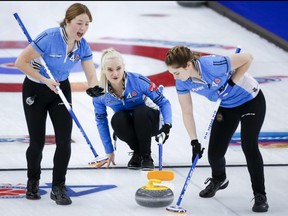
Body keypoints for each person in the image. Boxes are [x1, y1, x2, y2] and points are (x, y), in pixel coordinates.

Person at [15, 3, 104, 205]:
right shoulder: (49, 37)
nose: (82, 28)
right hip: (36, 89)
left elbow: (91, 73)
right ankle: (33, 181)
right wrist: (45, 80)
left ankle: (58, 186)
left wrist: (94, 87)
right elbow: (20, 62)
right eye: (79, 23)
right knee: (37, 143)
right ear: (67, 21)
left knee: (64, 141)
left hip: (60, 91)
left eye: (87, 24)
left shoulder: (82, 45)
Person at [164, 46, 269, 212]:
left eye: (176, 72)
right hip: (227, 106)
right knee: (214, 153)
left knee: (249, 146)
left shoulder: (212, 64)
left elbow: (248, 57)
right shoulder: (182, 82)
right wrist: (194, 141)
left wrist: (232, 81)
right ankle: (219, 179)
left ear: (188, 65)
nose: (174, 77)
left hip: (251, 100)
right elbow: (187, 112)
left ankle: (260, 195)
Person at [92, 48, 172, 171]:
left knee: (140, 111)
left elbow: (163, 102)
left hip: (150, 121)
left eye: (118, 68)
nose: (115, 74)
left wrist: (167, 125)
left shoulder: (138, 81)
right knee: (117, 119)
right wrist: (109, 151)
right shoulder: (100, 93)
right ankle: (138, 152)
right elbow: (101, 120)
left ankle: (146, 156)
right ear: (103, 70)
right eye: (110, 70)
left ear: (124, 67)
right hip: (129, 125)